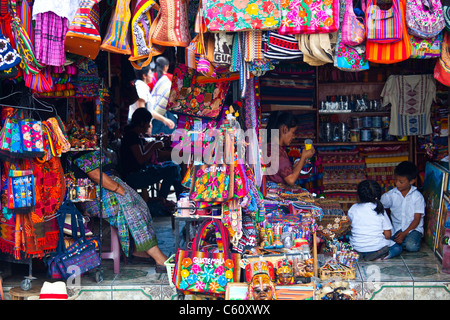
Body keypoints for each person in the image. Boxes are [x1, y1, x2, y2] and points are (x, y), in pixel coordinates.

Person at [71, 149, 168, 272]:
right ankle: (159, 259)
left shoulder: (94, 148)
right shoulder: (80, 153)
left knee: (141, 206)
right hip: (95, 197)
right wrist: (119, 189)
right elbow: (96, 176)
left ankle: (140, 252)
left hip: (109, 190)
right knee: (133, 213)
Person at [120, 108, 184, 210]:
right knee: (173, 169)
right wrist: (153, 147)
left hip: (139, 172)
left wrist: (153, 145)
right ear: (142, 123)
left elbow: (141, 152)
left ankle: (176, 200)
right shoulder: (131, 136)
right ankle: (166, 199)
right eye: (148, 122)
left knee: (173, 167)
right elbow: (141, 159)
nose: (149, 126)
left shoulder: (135, 135)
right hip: (134, 176)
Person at [348, 180, 402, 261]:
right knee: (397, 248)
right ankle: (380, 257)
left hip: (357, 247)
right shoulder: (379, 209)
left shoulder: (353, 208)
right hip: (376, 248)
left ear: (359, 195)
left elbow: (350, 227)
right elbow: (388, 235)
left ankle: (358, 255)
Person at [380, 161, 425, 252]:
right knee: (385, 241)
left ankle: (399, 244)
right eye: (396, 180)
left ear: (412, 181)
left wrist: (404, 233)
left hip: (413, 229)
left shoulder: (417, 197)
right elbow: (379, 206)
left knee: (411, 246)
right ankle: (399, 243)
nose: (397, 184)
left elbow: (417, 219)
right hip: (396, 228)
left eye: (401, 182)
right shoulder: (391, 195)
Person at [265, 111, 315, 185]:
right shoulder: (277, 151)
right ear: (285, 129)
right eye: (293, 132)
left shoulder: (269, 147)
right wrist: (303, 157)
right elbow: (291, 180)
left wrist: (299, 164)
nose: (294, 137)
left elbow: (282, 174)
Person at [128, 64, 175, 132]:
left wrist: (165, 120)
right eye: (150, 73)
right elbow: (141, 110)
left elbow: (149, 110)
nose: (152, 76)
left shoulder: (141, 85)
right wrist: (146, 124)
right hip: (138, 125)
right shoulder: (141, 86)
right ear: (144, 75)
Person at [149, 56, 177, 135]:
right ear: (166, 67)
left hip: (154, 111)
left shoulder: (151, 77)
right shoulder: (171, 78)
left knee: (154, 135)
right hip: (167, 111)